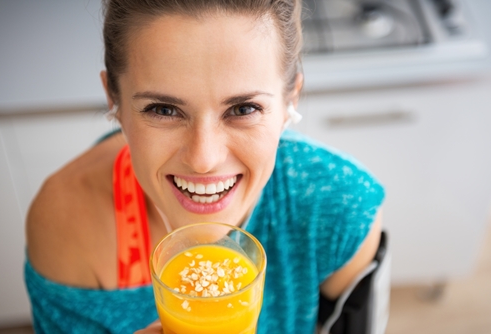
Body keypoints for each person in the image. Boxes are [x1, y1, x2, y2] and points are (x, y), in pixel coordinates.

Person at [24, 0, 385, 333]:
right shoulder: (67, 221)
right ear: (114, 99)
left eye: (243, 109)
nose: (203, 159)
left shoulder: (339, 205)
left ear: (290, 100)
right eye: (163, 110)